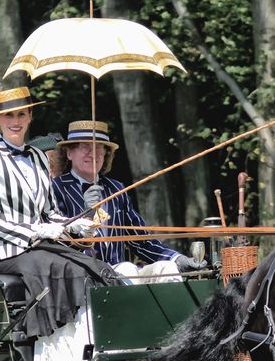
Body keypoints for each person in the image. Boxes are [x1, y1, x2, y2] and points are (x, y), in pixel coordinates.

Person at [0, 87, 117, 361]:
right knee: (67, 270)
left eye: (21, 114)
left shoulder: (37, 156)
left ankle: (89, 350)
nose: (15, 120)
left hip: (38, 245)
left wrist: (75, 225)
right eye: (9, 115)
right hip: (1, 251)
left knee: (94, 267)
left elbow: (49, 212)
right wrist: (37, 230)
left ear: (30, 116)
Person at [50, 120, 206, 283]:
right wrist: (86, 216)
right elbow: (57, 245)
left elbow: (141, 241)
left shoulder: (116, 189)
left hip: (120, 274)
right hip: (82, 278)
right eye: (85, 147)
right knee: (127, 269)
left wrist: (178, 259)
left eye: (99, 147)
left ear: (106, 154)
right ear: (69, 153)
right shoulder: (55, 189)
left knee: (166, 269)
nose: (93, 153)